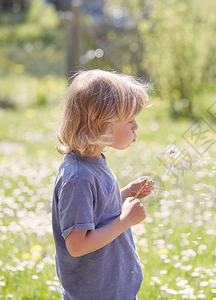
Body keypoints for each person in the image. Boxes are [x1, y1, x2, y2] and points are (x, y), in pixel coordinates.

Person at [52, 69, 153, 300]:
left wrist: (125, 193)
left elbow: (94, 211)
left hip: (110, 288)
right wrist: (125, 220)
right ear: (101, 127)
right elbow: (77, 245)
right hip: (95, 293)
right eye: (130, 121)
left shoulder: (92, 161)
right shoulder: (78, 177)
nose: (136, 126)